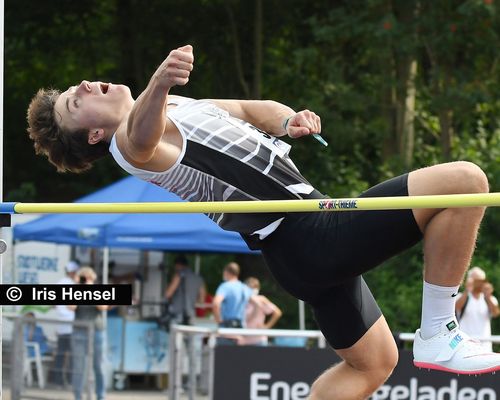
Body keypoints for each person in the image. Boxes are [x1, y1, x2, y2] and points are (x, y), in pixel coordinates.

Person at [26, 44, 500, 399]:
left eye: (75, 87)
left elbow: (252, 110)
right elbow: (142, 138)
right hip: (305, 235)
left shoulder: (178, 107)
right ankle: (439, 331)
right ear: (93, 133)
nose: (85, 86)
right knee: (465, 180)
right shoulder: (129, 145)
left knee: (373, 365)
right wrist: (160, 81)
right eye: (75, 101)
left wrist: (288, 120)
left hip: (297, 249)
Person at [68, 266, 108, 400]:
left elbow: (103, 307)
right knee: (79, 366)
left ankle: (100, 396)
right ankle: (78, 396)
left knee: (99, 366)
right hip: (79, 331)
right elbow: (71, 307)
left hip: (96, 331)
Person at [455, 266, 499, 351]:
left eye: (481, 281)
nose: (479, 284)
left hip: (485, 346)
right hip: (465, 345)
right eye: (476, 281)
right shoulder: (461, 297)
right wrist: (467, 291)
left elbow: (495, 313)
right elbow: (456, 307)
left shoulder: (490, 298)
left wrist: (488, 296)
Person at [212, 262, 254, 344]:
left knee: (224, 355)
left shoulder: (225, 286)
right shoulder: (244, 287)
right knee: (238, 355)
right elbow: (257, 304)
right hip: (240, 326)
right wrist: (250, 319)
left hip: (226, 326)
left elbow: (216, 303)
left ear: (227, 272)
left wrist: (218, 320)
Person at [52, 260, 78, 387]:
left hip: (61, 325)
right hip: (71, 325)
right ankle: (71, 381)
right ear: (72, 272)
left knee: (60, 354)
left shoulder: (59, 283)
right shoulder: (73, 284)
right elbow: (73, 307)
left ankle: (58, 381)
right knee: (72, 356)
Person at [164, 254, 206, 325]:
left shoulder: (178, 276)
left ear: (177, 265)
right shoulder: (199, 278)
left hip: (177, 313)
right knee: (189, 334)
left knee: (175, 335)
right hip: (191, 314)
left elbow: (168, 294)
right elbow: (202, 299)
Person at [240, 277, 282, 346]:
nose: (252, 290)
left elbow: (277, 312)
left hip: (259, 340)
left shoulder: (261, 299)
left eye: (254, 287)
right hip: (243, 341)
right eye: (249, 287)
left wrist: (267, 327)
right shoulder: (242, 301)